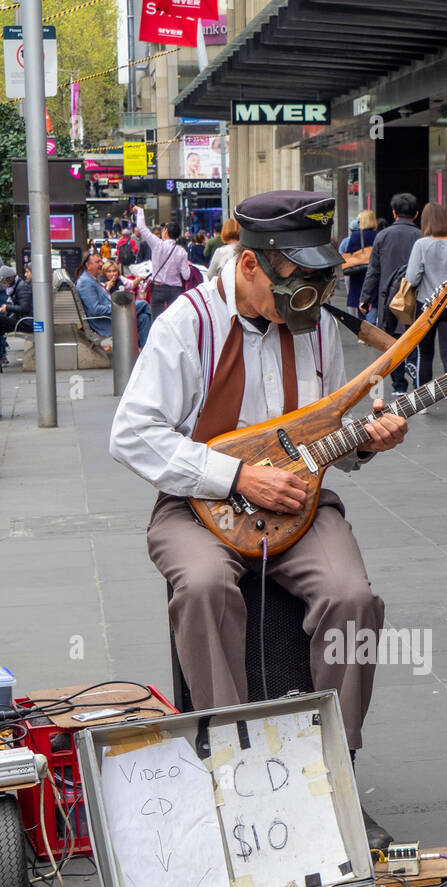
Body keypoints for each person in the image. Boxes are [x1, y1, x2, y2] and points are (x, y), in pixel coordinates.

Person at [110, 190, 408, 850]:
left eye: (315, 282)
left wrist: (364, 442)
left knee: (351, 595)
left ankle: (335, 772)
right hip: (195, 506)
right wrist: (237, 476)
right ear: (249, 265)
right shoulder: (186, 324)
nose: (306, 299)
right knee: (204, 584)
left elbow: (332, 443)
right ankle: (229, 771)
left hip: (299, 507)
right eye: (294, 283)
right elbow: (132, 436)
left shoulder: (316, 326)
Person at [405, 202, 447, 419]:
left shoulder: (421, 244)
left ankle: (423, 402)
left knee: (425, 353)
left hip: (427, 306)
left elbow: (411, 277)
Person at [359, 192, 421, 395]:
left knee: (391, 341)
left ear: (394, 213)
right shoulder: (421, 236)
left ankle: (399, 385)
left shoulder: (382, 236)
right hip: (415, 297)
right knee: (412, 336)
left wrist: (365, 298)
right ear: (416, 214)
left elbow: (373, 270)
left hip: (389, 298)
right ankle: (415, 373)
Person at [76, 250, 152, 348]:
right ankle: (150, 347)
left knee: (143, 318)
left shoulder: (91, 279)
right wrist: (117, 306)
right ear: (88, 265)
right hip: (107, 323)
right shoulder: (86, 282)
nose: (101, 264)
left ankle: (146, 352)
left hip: (112, 316)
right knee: (143, 304)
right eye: (97, 262)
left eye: (101, 261)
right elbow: (95, 310)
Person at [132, 205, 192, 317]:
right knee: (174, 321)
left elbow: (142, 228)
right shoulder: (182, 252)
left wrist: (140, 211)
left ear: (165, 232)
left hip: (158, 288)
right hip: (175, 290)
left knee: (156, 321)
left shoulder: (157, 244)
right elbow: (186, 276)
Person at [343, 209, 378, 315]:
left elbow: (349, 255)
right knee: (374, 311)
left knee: (361, 315)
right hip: (375, 277)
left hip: (358, 276)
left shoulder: (355, 236)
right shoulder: (379, 235)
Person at [0, 264, 34, 333]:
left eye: (4, 282)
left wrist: (7, 308)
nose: (4, 284)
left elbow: (25, 309)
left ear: (9, 279)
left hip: (27, 323)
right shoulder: (17, 286)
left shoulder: (22, 287)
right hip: (23, 320)